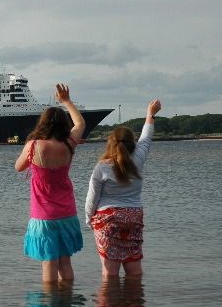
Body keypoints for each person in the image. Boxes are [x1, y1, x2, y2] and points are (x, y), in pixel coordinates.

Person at [15, 84, 86, 283]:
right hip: (67, 211)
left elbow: (18, 167)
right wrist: (66, 101)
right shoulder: (68, 144)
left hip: (43, 214)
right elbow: (80, 123)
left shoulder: (34, 146)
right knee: (65, 262)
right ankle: (68, 304)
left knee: (49, 261)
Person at [85, 99, 162, 277]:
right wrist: (150, 114)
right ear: (131, 144)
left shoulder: (101, 167)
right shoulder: (138, 159)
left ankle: (110, 304)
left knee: (109, 272)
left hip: (107, 219)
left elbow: (92, 198)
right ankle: (134, 302)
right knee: (134, 269)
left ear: (110, 143)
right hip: (133, 215)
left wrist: (89, 219)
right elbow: (146, 136)